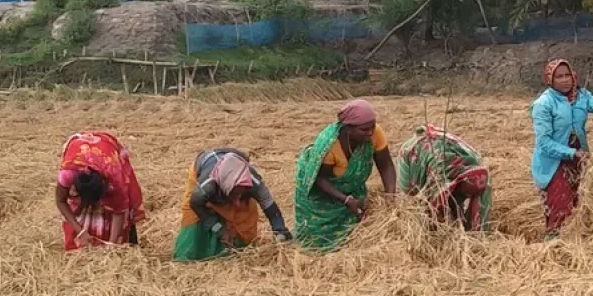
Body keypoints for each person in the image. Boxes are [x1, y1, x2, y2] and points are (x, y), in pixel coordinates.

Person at [294, 100, 398, 250]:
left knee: (354, 234)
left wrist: (390, 195)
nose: (370, 132)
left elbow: (386, 164)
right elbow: (320, 179)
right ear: (348, 129)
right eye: (364, 129)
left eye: (372, 127)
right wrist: (345, 199)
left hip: (351, 188)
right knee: (317, 242)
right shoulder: (330, 145)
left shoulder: (375, 134)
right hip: (321, 189)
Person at [530, 59, 593, 238]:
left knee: (580, 205)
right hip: (554, 164)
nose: (565, 80)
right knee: (560, 209)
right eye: (559, 76)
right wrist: (571, 153)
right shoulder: (544, 104)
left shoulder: (581, 96)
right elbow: (544, 142)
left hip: (579, 160)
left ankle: (578, 246)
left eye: (567, 75)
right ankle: (553, 248)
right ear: (550, 80)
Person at [173, 149, 292, 261]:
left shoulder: (254, 183)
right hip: (207, 170)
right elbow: (196, 205)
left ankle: (237, 249)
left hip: (232, 182)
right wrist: (218, 229)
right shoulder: (206, 187)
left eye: (241, 194)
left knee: (243, 222)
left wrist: (280, 230)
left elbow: (270, 206)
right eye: (234, 194)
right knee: (194, 225)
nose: (237, 202)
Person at [55, 131, 145, 251]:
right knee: (75, 222)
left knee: (115, 224)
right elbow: (60, 201)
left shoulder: (115, 178)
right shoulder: (68, 173)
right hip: (81, 150)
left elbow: (119, 212)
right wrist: (80, 231)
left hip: (108, 152)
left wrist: (112, 246)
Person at [398, 123, 492, 232]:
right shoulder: (439, 175)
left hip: (450, 164)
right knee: (422, 206)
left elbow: (482, 209)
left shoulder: (478, 171)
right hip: (418, 160)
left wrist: (479, 231)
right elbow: (426, 204)